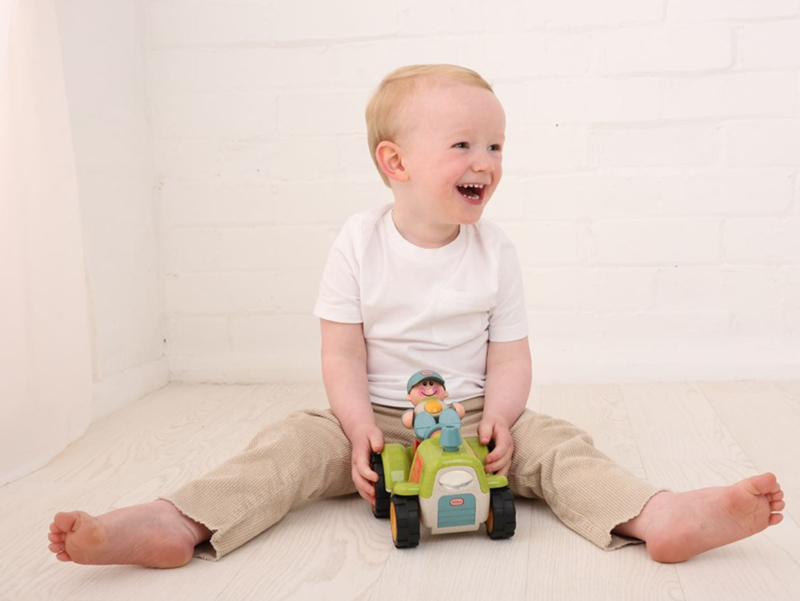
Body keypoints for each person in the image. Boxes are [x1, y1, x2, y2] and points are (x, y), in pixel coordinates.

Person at [47, 64, 785, 568]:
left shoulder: (495, 252)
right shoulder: (358, 243)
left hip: (472, 419)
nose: (486, 160)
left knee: (561, 447)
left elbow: (509, 355)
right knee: (286, 447)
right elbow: (341, 351)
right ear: (396, 163)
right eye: (463, 145)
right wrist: (355, 427)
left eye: (495, 145)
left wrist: (503, 417)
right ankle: (181, 519)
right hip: (374, 419)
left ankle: (654, 515)